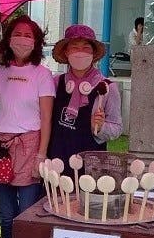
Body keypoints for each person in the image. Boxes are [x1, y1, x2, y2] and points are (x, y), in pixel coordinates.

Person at [0, 15, 55, 238]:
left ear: (36, 42)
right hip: (1, 146)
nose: (22, 39)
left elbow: (46, 119)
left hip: (30, 145)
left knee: (27, 216)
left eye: (28, 35)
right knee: (7, 215)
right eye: (18, 34)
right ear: (8, 39)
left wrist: (41, 155)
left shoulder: (42, 74)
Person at [49, 24, 123, 176]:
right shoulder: (55, 83)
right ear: (66, 52)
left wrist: (101, 127)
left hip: (91, 167)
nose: (80, 52)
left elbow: (117, 128)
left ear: (93, 53)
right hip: (57, 161)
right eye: (74, 47)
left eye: (86, 48)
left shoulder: (107, 87)